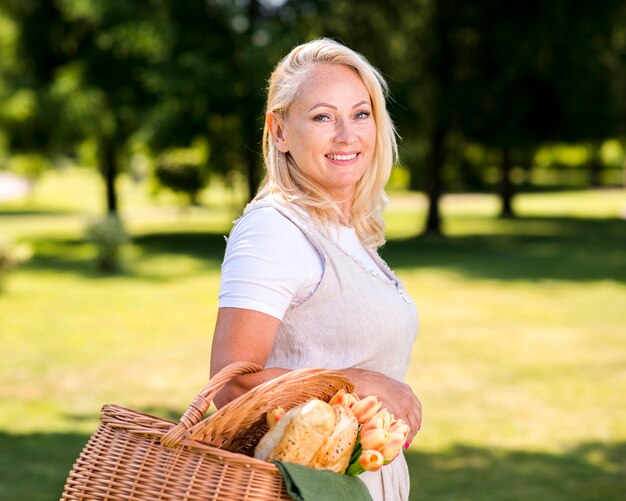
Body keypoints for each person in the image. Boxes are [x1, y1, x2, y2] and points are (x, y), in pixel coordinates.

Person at [210, 38, 422, 501]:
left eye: (360, 114)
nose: (347, 134)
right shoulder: (274, 230)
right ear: (280, 132)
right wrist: (355, 382)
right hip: (298, 490)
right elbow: (230, 387)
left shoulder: (347, 231)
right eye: (323, 117)